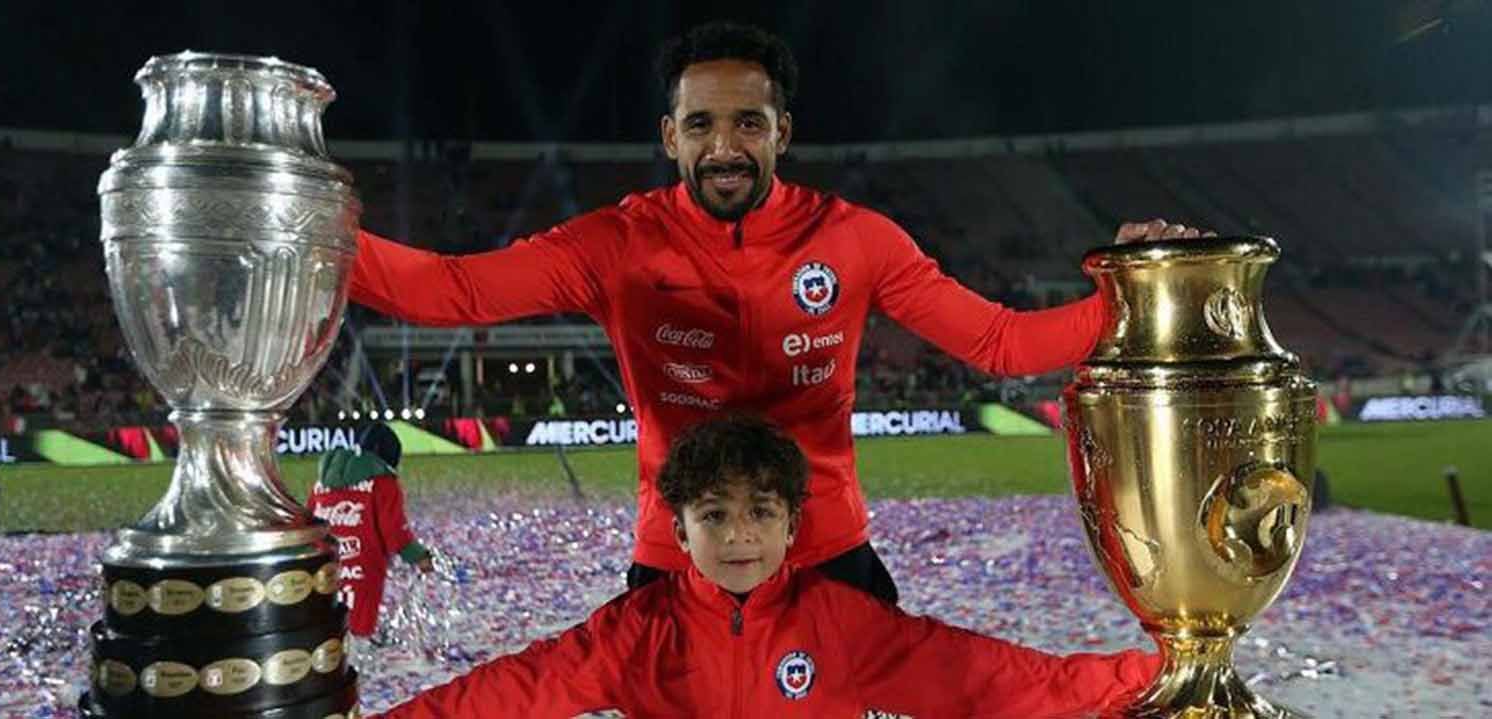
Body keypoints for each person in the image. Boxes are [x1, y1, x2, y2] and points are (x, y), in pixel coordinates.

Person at [348, 22, 1212, 603]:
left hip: (830, 561)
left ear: (782, 132)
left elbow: (998, 340)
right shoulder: (615, 242)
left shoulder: (856, 239)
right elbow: (448, 292)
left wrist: (1136, 291)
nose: (725, 147)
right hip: (675, 563)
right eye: (702, 124)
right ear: (669, 136)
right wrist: (310, 234)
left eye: (748, 123)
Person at [373, 415, 1159, 718]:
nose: (739, 535)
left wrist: (1147, 673)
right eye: (714, 514)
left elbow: (987, 676)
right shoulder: (637, 629)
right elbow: (515, 687)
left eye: (761, 512)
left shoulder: (841, 620)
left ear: (792, 526)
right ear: (677, 532)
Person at [307, 422, 434, 638]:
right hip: (363, 564)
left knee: (326, 621)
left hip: (324, 560)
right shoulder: (384, 482)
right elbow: (394, 531)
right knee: (358, 629)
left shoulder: (322, 482)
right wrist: (418, 556)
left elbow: (309, 520)